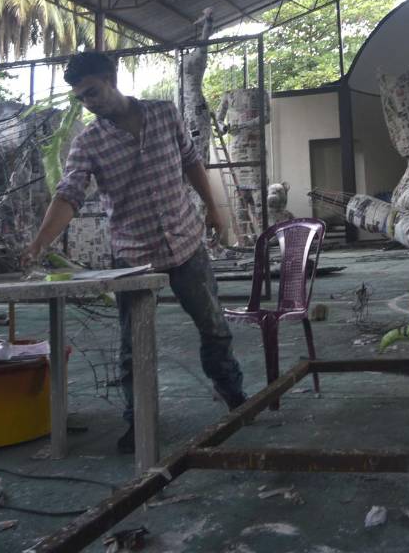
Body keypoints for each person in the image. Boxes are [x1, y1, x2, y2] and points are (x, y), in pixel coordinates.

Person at [22, 52, 245, 453]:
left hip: (186, 242)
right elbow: (68, 195)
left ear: (111, 77)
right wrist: (41, 242)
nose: (88, 102)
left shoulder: (164, 114)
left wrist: (212, 209)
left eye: (92, 91)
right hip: (133, 255)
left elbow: (191, 161)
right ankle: (136, 422)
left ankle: (234, 397)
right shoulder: (88, 143)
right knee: (133, 346)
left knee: (214, 328)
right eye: (81, 98)